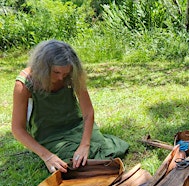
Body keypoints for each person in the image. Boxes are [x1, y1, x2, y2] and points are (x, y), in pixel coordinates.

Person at [12, 40, 129, 174]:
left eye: (65, 74)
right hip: (50, 136)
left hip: (77, 127)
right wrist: (47, 156)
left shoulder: (72, 74)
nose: (61, 78)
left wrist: (85, 145)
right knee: (72, 163)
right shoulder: (24, 84)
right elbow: (17, 129)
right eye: (56, 72)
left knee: (101, 149)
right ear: (43, 67)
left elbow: (88, 113)